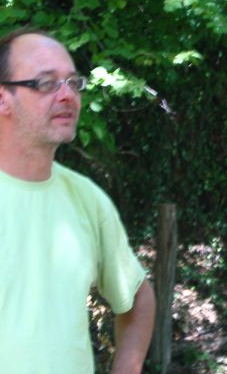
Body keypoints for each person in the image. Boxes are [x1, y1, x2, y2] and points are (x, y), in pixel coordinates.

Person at [0, 28, 156, 374]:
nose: (67, 95)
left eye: (73, 83)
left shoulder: (87, 198)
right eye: (46, 83)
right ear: (2, 98)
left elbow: (138, 298)